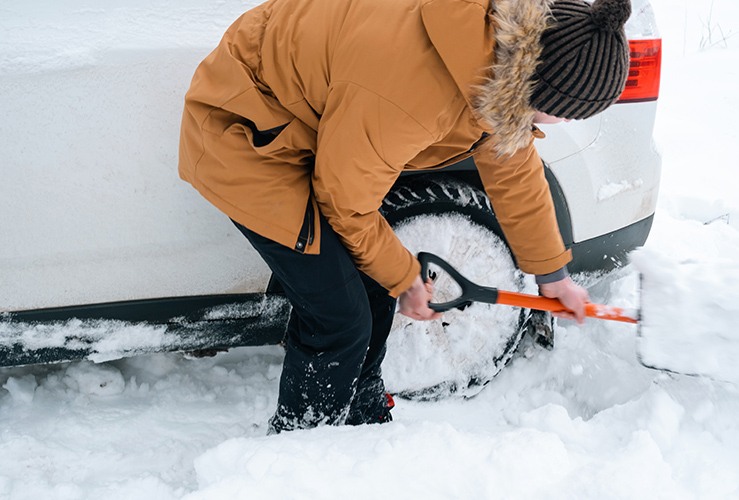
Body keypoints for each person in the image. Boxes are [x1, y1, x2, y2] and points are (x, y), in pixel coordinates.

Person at [178, 0, 632, 433]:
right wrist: (406, 279)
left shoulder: (497, 50)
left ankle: (360, 409)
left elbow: (513, 167)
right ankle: (302, 443)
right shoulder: (414, 92)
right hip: (248, 129)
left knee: (371, 282)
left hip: (320, 124)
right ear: (539, 89)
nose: (568, 124)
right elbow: (345, 201)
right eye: (567, 113)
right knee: (339, 316)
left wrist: (552, 273)